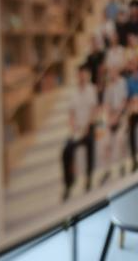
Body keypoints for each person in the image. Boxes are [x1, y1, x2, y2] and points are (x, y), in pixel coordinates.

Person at [62, 65, 99, 200]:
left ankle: (89, 177)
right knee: (66, 150)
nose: (81, 77)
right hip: (77, 129)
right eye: (79, 74)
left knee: (90, 144)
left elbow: (94, 111)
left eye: (83, 74)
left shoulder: (91, 90)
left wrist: (87, 127)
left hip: (88, 127)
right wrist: (73, 128)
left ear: (87, 75)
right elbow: (71, 114)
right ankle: (69, 183)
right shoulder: (73, 93)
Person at [99, 65, 128, 185]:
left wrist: (116, 116)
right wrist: (109, 118)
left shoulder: (122, 83)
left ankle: (122, 166)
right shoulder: (108, 87)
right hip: (111, 117)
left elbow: (123, 101)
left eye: (113, 71)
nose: (112, 74)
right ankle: (107, 170)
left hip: (121, 115)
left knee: (120, 140)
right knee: (105, 143)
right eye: (110, 72)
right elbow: (106, 105)